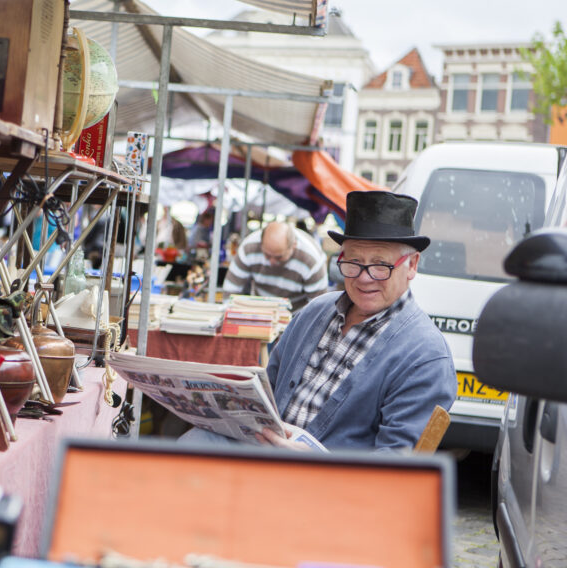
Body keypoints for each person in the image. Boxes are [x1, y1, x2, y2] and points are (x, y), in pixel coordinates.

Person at [183, 191, 457, 451]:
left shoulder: (426, 356)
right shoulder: (316, 311)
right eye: (353, 262)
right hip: (262, 456)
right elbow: (269, 390)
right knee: (189, 446)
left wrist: (312, 463)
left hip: (328, 488)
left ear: (411, 265)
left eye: (380, 265)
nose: (364, 277)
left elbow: (396, 466)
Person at [222, 221, 328, 313]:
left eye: (279, 257)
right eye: (267, 255)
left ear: (293, 246)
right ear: (261, 243)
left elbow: (318, 308)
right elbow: (231, 292)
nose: (272, 262)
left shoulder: (311, 260)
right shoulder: (248, 248)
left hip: (296, 318)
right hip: (259, 314)